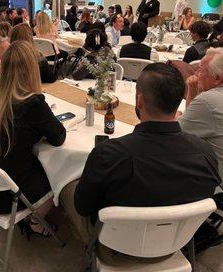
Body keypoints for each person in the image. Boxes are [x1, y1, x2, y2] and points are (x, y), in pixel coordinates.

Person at [61, 63, 220, 266]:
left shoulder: (108, 154)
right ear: (178, 102)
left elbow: (83, 207)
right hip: (173, 246)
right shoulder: (205, 154)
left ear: (140, 101)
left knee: (69, 186)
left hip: (115, 249)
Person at [0, 41, 66, 237]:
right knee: (59, 175)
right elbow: (59, 137)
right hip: (6, 198)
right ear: (32, 70)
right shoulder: (33, 103)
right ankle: (34, 222)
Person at [179, 48, 223, 180]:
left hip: (216, 187)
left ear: (216, 78)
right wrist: (192, 91)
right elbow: (192, 121)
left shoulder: (208, 101)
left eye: (201, 69)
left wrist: (176, 117)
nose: (196, 73)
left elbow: (175, 134)